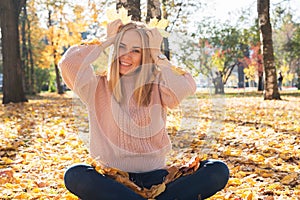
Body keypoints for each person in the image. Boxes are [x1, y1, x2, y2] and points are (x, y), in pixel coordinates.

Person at [59, 19, 229, 200]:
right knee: (75, 174)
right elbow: (68, 63)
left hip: (157, 178)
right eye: (121, 46)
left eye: (136, 50)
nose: (126, 55)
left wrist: (157, 54)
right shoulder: (95, 86)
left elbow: (185, 86)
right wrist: (106, 40)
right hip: (113, 181)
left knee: (217, 170)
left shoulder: (157, 84)